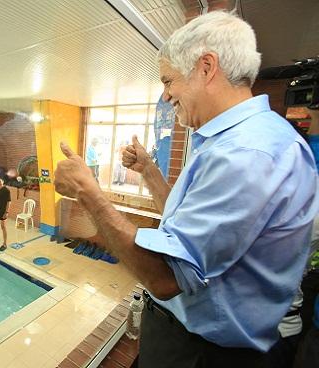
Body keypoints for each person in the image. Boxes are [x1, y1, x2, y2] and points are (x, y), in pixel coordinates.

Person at [53, 11, 318, 368]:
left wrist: (88, 192)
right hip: (190, 340)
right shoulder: (235, 142)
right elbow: (185, 225)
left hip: (207, 354)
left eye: (168, 81)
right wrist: (148, 171)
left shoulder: (247, 153)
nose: (165, 96)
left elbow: (166, 276)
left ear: (206, 67)